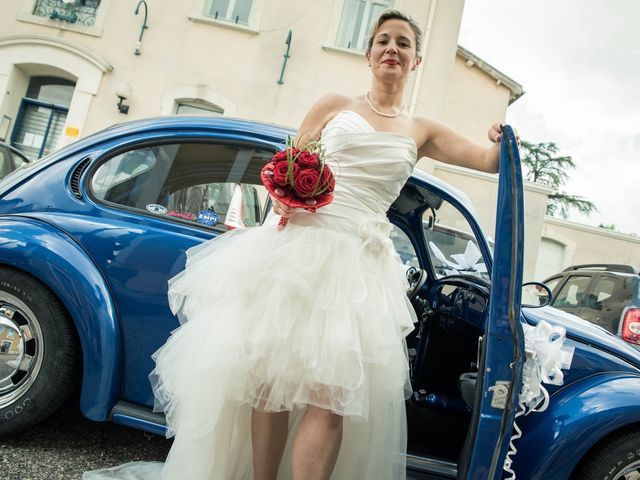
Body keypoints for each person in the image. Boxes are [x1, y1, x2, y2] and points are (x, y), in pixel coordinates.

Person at [84, 9, 504, 480]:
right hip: (299, 252)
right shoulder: (334, 105)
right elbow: (285, 172)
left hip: (359, 273)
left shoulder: (421, 130)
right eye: (383, 40)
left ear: (416, 60)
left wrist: (499, 138)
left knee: (331, 399)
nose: (392, 48)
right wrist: (283, 202)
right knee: (268, 385)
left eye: (403, 43)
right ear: (368, 54)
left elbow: (488, 161)